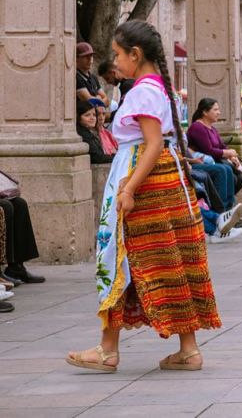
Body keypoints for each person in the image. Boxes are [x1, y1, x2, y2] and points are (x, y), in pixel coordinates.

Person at [67, 19, 220, 373]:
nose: (115, 61)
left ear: (135, 55)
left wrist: (130, 188)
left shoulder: (142, 92)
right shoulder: (155, 88)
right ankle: (187, 348)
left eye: (119, 54)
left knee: (118, 255)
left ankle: (108, 349)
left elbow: (150, 144)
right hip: (162, 181)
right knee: (172, 259)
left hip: (143, 180)